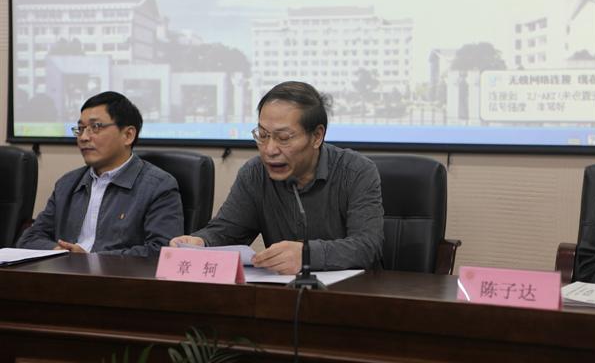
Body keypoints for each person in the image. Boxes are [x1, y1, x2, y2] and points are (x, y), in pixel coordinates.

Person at [170, 81, 384, 274]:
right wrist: (200, 242)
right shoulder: (255, 174)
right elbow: (227, 232)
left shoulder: (356, 172)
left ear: (317, 136)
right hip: (283, 294)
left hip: (351, 294)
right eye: (263, 135)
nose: (269, 149)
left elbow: (367, 247)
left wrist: (307, 255)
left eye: (283, 138)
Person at [17, 91, 184, 256]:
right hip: (64, 270)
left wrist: (91, 260)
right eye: (80, 129)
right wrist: (61, 252)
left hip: (116, 274)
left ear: (128, 135)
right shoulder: (67, 184)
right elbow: (29, 239)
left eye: (95, 127)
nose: (83, 137)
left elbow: (161, 251)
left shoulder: (158, 186)